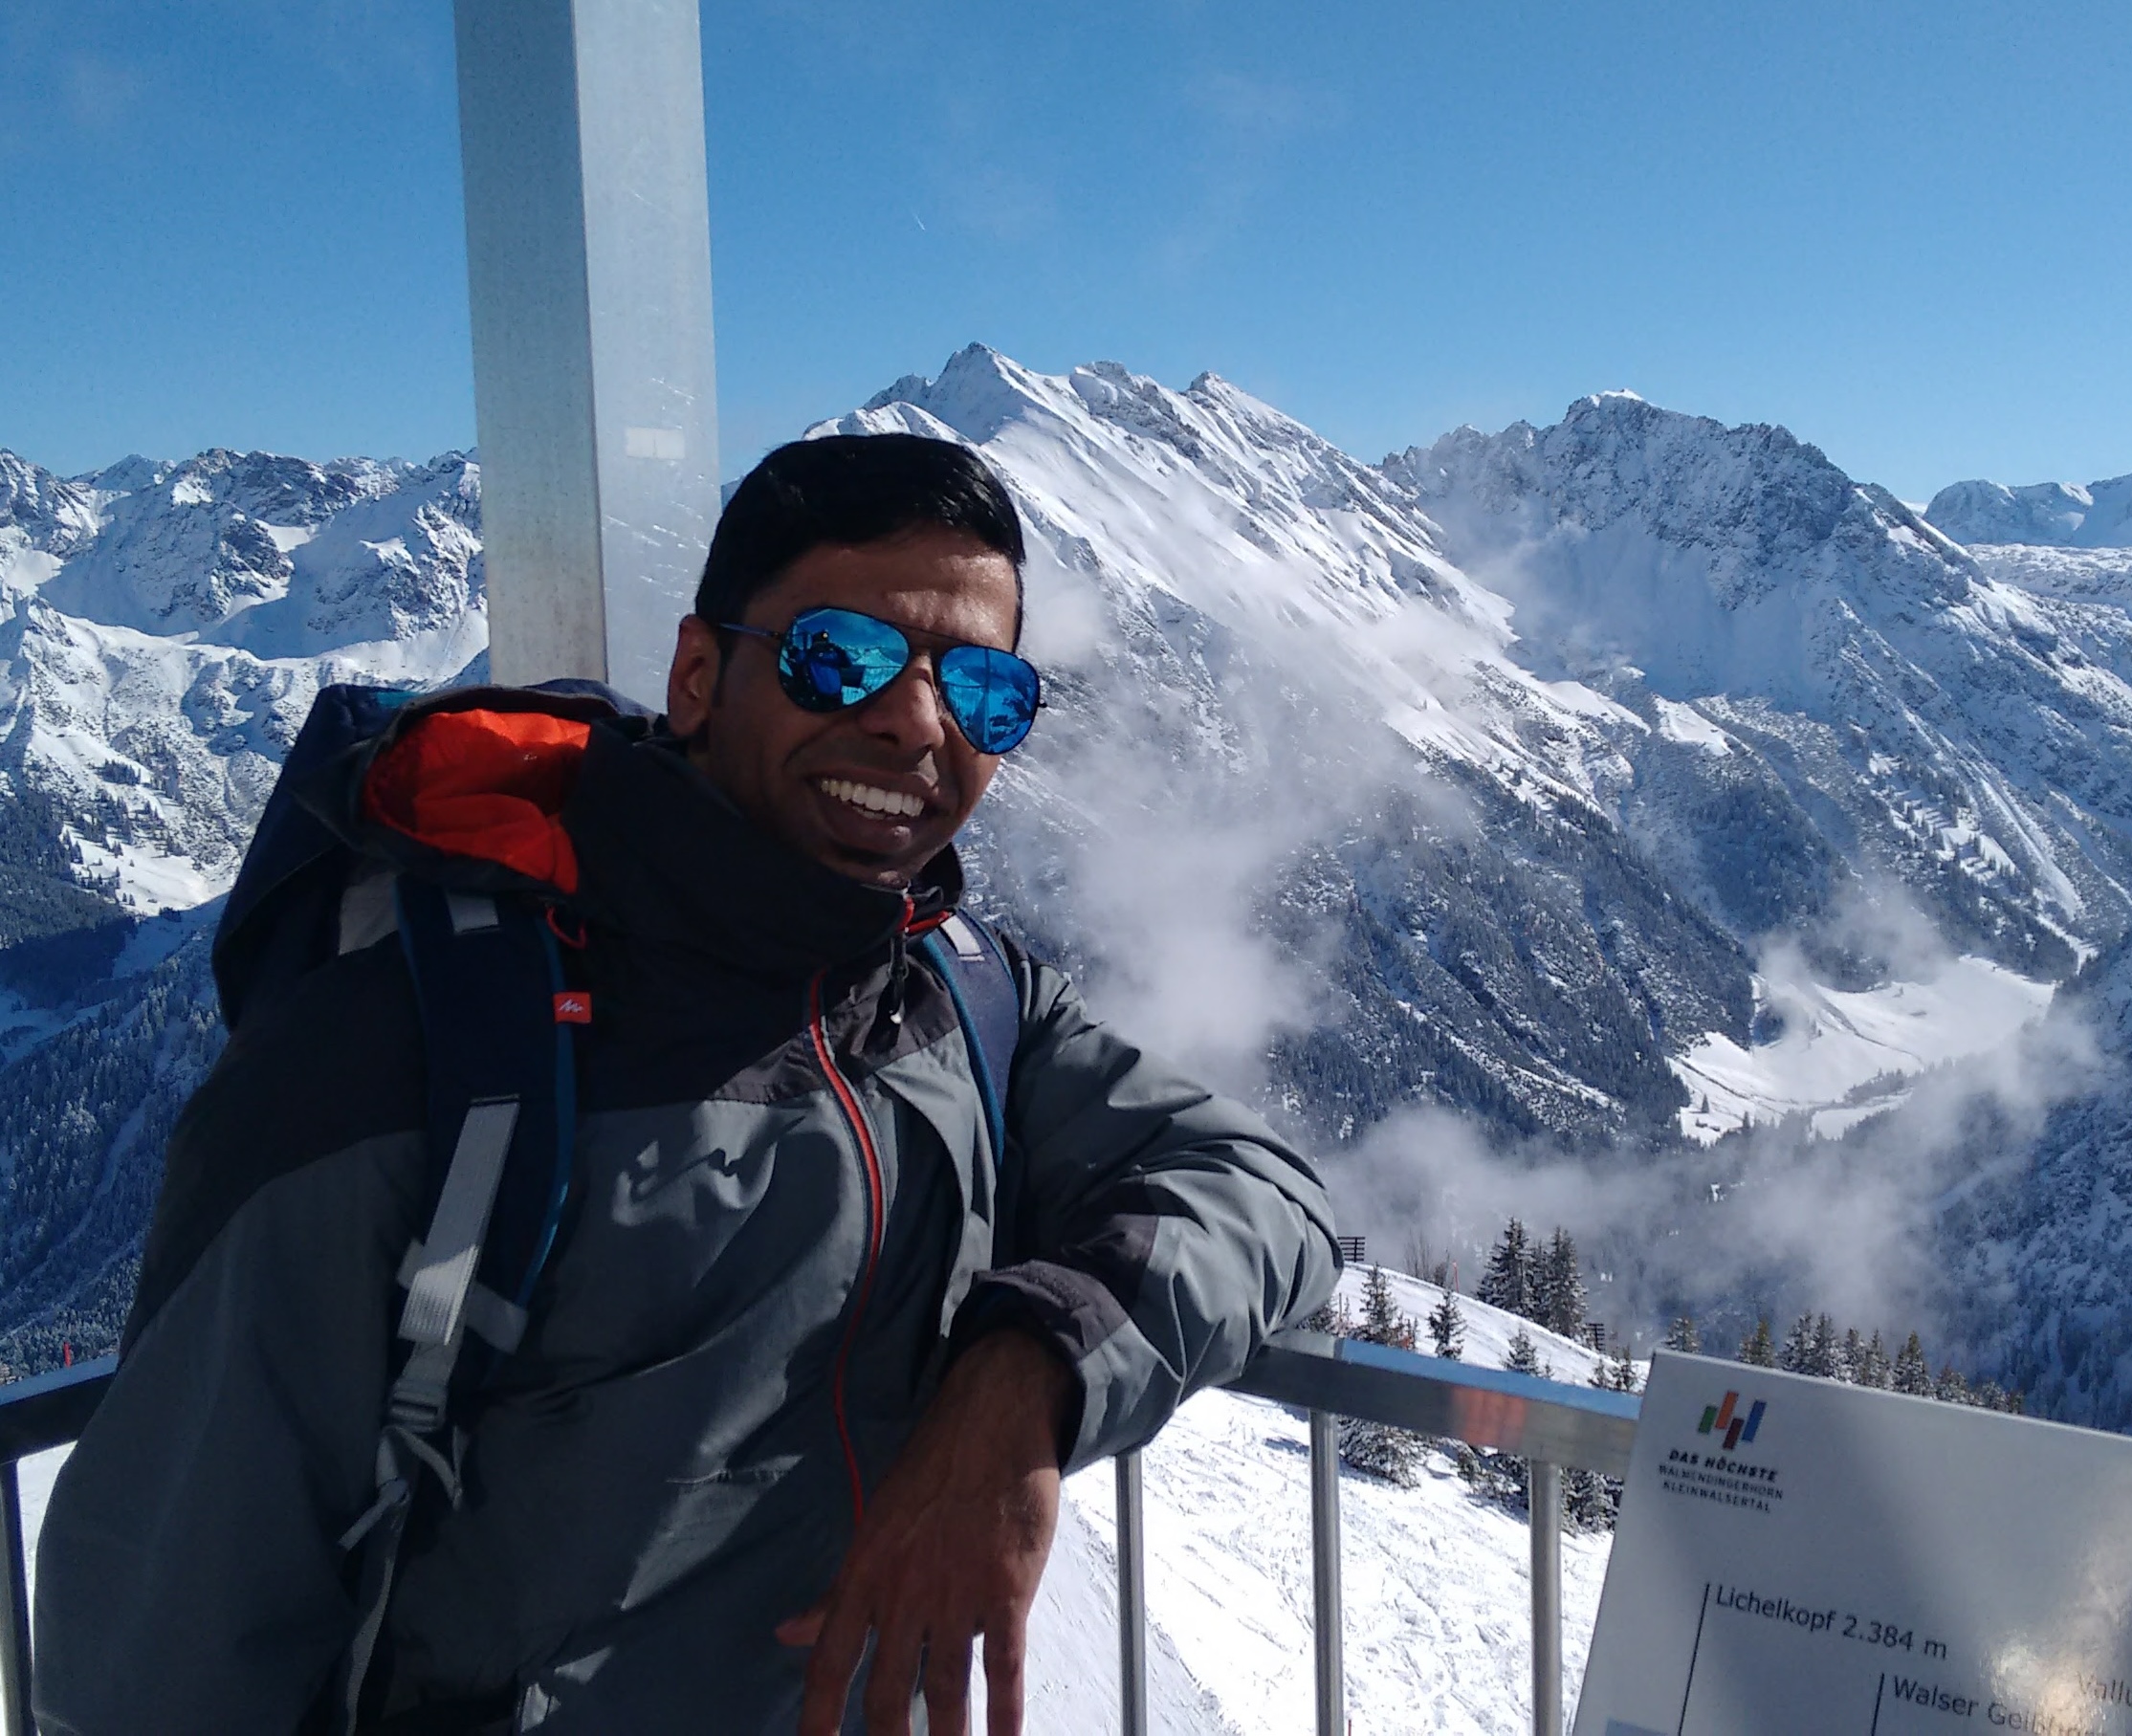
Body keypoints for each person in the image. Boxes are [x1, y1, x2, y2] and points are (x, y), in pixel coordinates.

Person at [34, 433, 1341, 1734]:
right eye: (845, 657)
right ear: (701, 676)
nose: (914, 721)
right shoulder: (403, 1055)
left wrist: (1029, 1372)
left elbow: (1264, 1197)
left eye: (985, 690)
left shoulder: (958, 998)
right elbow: (165, 1647)